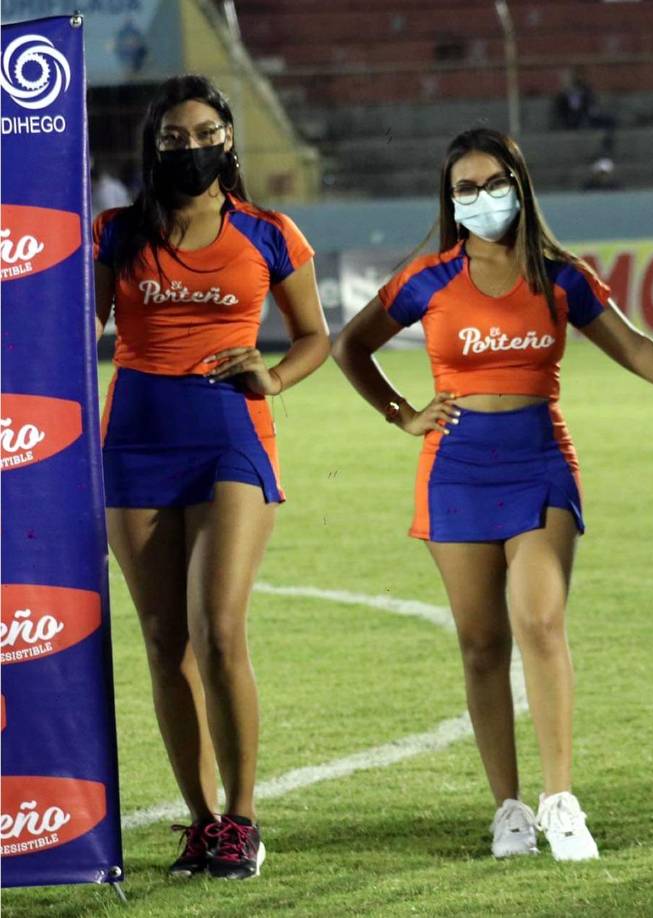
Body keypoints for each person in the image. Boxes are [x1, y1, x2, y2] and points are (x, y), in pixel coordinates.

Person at [332, 128, 653, 862]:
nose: (481, 199)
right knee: (482, 644)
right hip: (453, 469)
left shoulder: (559, 276)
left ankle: (559, 801)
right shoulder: (428, 276)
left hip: (538, 461)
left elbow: (634, 347)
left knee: (540, 622)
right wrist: (400, 413)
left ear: (519, 183)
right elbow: (348, 346)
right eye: (465, 189)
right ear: (449, 201)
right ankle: (508, 810)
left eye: (492, 183)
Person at [93, 74, 329, 879]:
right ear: (152, 145)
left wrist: (275, 376)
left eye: (204, 134)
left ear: (229, 142)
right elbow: (69, 329)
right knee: (165, 641)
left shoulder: (269, 233)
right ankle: (200, 823)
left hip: (229, 433)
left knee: (218, 629)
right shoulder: (116, 234)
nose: (189, 148)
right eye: (173, 137)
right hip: (134, 440)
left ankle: (243, 819)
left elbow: (312, 338)